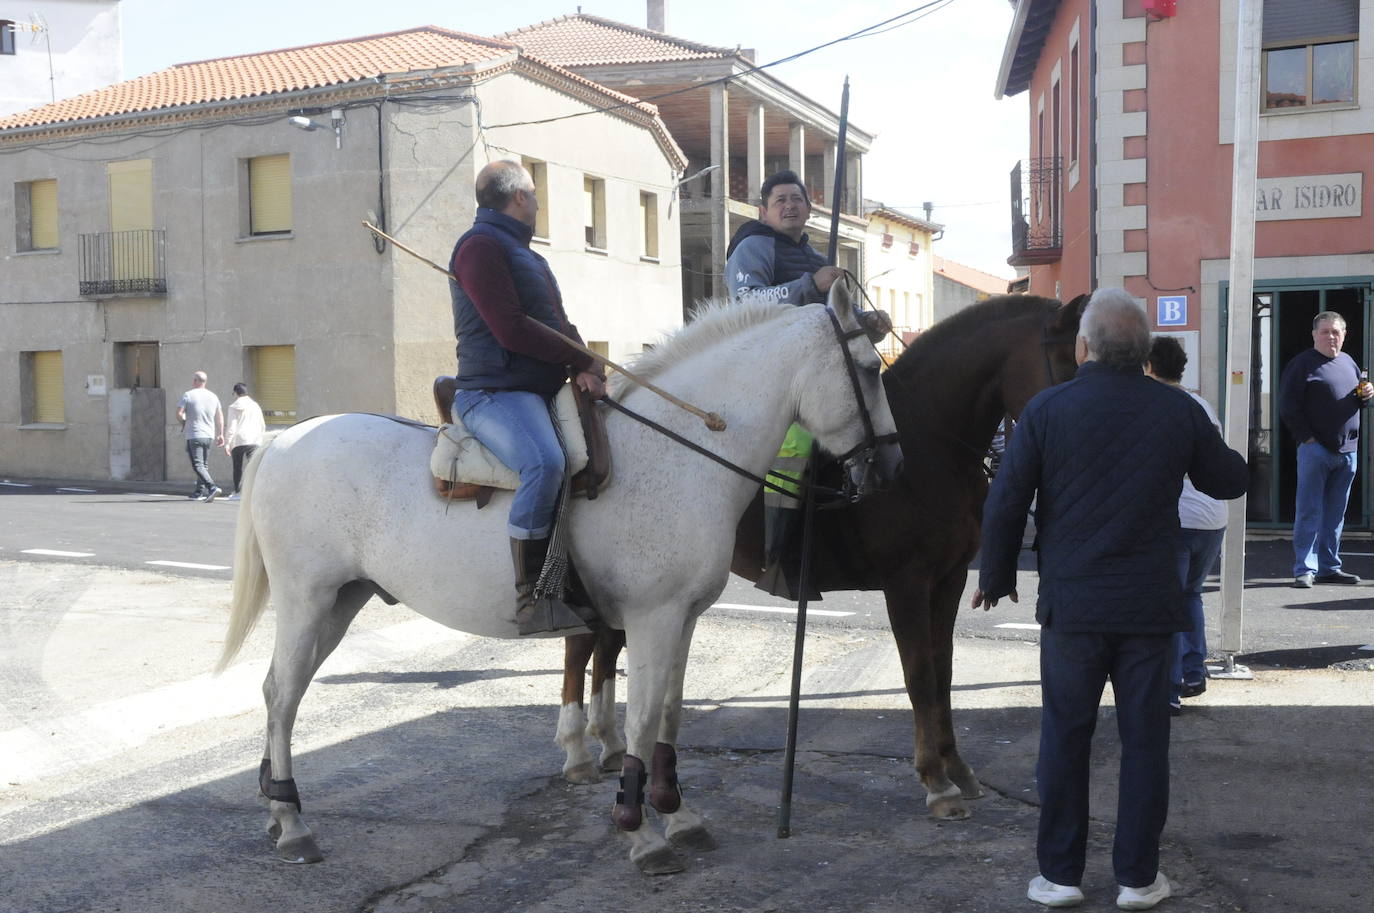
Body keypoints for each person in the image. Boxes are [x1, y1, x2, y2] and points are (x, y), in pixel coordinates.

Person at [971, 288, 1248, 911]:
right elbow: (1226, 480)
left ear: (1083, 346)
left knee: (1065, 737)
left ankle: (1061, 876)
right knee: (1145, 741)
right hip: (1150, 607)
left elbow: (1007, 498)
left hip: (1073, 606)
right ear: (1145, 350)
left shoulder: (1046, 409)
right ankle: (1137, 879)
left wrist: (996, 574)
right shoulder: (1177, 411)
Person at [449, 159, 605, 636]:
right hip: (494, 390)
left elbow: (553, 321)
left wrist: (588, 361)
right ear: (519, 197)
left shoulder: (527, 256)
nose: (538, 203)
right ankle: (534, 598)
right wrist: (576, 361)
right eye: (535, 194)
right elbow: (512, 330)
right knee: (545, 462)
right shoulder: (479, 248)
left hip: (537, 387)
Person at [1145, 337, 1225, 715]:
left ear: (1148, 367)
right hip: (1213, 519)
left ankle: (1169, 689)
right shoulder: (1202, 404)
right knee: (1190, 596)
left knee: (1166, 603)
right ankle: (1194, 671)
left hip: (1178, 517)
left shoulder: (1154, 405)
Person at [1278, 311, 1372, 588]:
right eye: (1325, 331)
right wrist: (1307, 439)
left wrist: (1365, 395)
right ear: (1314, 335)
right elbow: (1288, 406)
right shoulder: (1302, 364)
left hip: (1347, 451)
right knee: (1309, 511)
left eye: (1336, 332)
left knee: (1335, 514)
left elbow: (1356, 399)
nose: (1331, 336)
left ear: (1344, 335)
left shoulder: (1349, 363)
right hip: (1315, 451)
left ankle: (1329, 567)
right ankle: (1304, 569)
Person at [177, 371, 224, 502]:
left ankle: (212, 487)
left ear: (197, 381)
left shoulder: (188, 395)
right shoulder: (213, 396)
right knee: (204, 464)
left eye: (193, 380)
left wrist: (183, 422)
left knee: (198, 465)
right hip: (209, 435)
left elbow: (179, 414)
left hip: (194, 434)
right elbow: (219, 416)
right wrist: (221, 434)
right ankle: (199, 492)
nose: (192, 382)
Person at [223, 382, 266, 501]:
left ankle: (237, 491)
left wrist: (227, 443)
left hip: (239, 439)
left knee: (237, 467)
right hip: (255, 439)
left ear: (236, 393)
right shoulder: (255, 405)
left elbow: (231, 426)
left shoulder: (233, 406)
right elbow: (262, 424)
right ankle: (254, 492)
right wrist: (260, 437)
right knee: (253, 467)